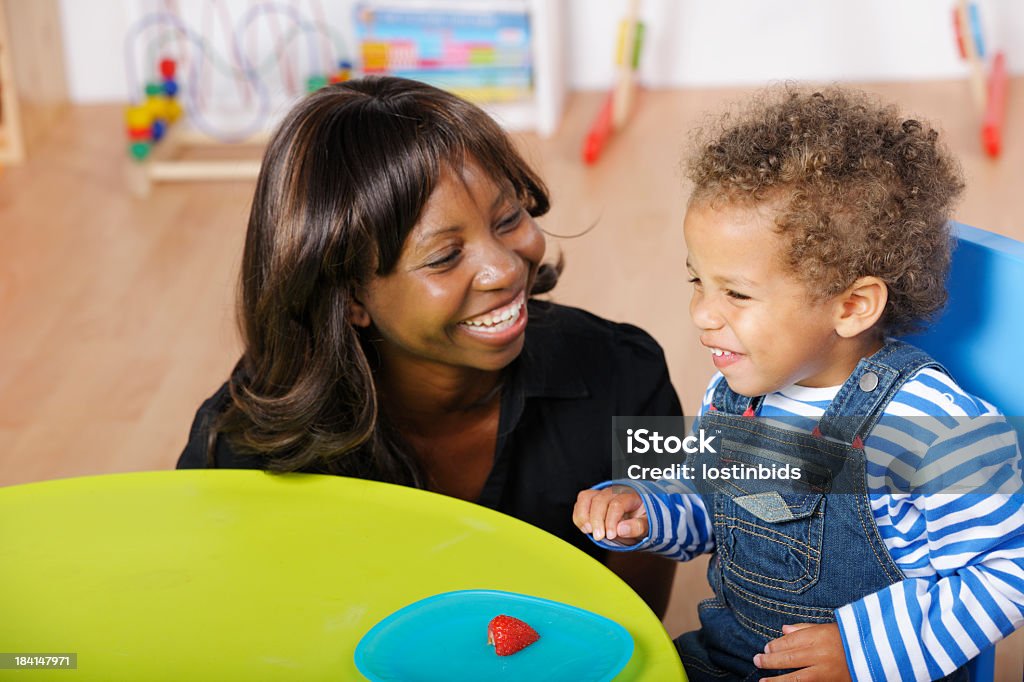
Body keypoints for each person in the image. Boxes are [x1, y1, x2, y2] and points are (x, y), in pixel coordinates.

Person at [177, 76, 679, 615]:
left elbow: (635, 631)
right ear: (349, 297)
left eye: (509, 219)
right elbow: (229, 629)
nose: (506, 268)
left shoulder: (625, 379)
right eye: (444, 257)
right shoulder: (244, 451)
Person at [573, 86, 1024, 681]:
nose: (703, 314)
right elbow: (718, 507)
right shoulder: (733, 394)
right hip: (732, 660)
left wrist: (861, 652)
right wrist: (650, 510)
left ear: (852, 306)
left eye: (735, 293)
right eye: (697, 282)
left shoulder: (932, 425)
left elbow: (1006, 569)